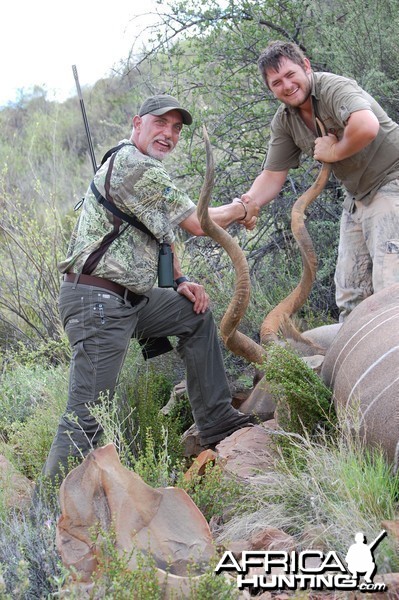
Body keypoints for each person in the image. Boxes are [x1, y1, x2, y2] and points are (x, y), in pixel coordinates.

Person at [42, 94, 259, 484]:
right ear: (136, 123)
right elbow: (197, 222)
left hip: (130, 298)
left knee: (195, 313)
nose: (169, 134)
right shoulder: (134, 164)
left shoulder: (142, 169)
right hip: (98, 302)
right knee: (86, 417)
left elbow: (161, 236)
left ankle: (216, 421)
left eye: (176, 128)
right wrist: (243, 209)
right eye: (161, 123)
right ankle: (45, 517)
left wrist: (179, 282)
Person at [240, 40, 399, 320]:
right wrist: (246, 205)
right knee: (351, 299)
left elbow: (367, 125)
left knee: (391, 289)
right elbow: (272, 176)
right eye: (277, 82)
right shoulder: (284, 120)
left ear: (306, 67)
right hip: (358, 197)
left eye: (290, 75)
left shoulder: (333, 87)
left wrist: (335, 150)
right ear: (270, 89)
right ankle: (355, 363)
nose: (287, 86)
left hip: (392, 181)